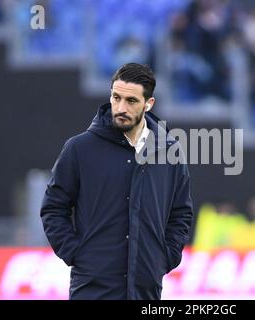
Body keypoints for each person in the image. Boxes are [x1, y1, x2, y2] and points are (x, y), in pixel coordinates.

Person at [40, 63, 194, 300]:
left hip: (146, 289)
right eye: (116, 97)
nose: (121, 107)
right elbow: (53, 208)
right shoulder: (79, 149)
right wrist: (76, 253)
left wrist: (164, 257)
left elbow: (181, 212)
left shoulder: (170, 152)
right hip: (92, 288)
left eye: (131, 101)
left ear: (149, 104)